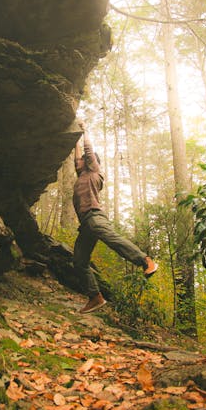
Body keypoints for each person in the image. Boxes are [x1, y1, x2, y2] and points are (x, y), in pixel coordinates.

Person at [72, 122, 158, 313]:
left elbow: (88, 151)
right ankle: (95, 297)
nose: (82, 161)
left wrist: (85, 131)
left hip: (94, 217)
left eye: (86, 159)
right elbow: (77, 157)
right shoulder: (81, 174)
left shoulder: (94, 171)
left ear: (93, 161)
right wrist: (75, 137)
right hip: (86, 223)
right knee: (79, 260)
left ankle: (145, 261)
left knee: (112, 239)